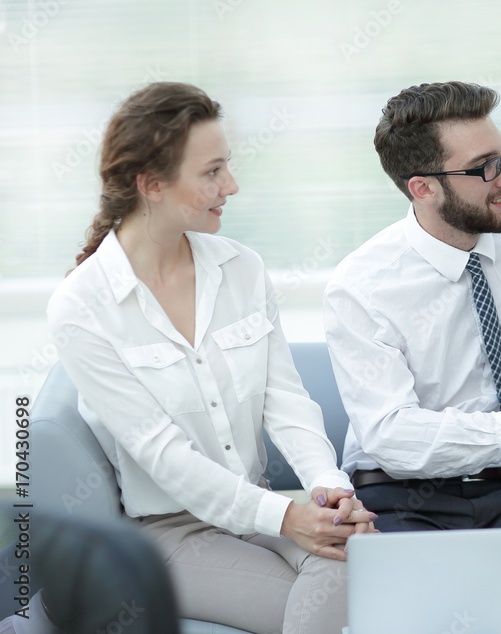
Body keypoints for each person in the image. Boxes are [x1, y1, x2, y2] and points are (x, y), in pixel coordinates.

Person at [46, 82, 375, 634]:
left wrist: (330, 491)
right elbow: (163, 456)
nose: (232, 185)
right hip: (172, 530)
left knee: (353, 563)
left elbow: (287, 401)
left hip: (259, 507)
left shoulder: (241, 268)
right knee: (341, 595)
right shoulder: (82, 307)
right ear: (150, 184)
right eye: (213, 172)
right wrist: (291, 518)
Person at [324, 81, 501, 532]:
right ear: (423, 188)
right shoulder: (361, 287)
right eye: (484, 167)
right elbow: (393, 436)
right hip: (400, 495)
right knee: (414, 599)